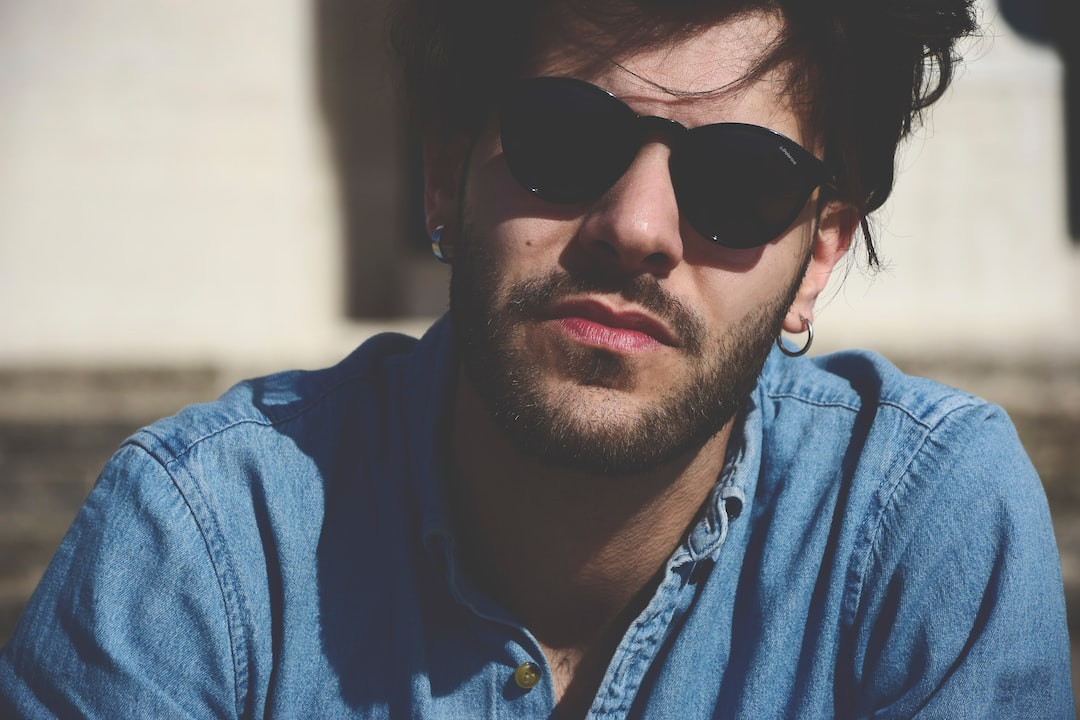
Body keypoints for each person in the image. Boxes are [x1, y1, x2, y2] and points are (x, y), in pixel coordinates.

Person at [1, 0, 1074, 717]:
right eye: (568, 138)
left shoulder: (921, 529)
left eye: (742, 180)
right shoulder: (203, 544)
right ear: (442, 176)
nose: (638, 228)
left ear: (815, 258)